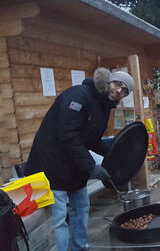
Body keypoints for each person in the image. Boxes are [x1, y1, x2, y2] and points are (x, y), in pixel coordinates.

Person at [24, 68, 134, 251]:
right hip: (51, 166)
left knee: (81, 209)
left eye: (124, 91)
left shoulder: (104, 106)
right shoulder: (79, 95)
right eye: (117, 84)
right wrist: (92, 167)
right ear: (108, 81)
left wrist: (114, 150)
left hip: (74, 166)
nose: (119, 91)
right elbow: (68, 136)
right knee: (58, 218)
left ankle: (80, 247)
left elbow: (90, 139)